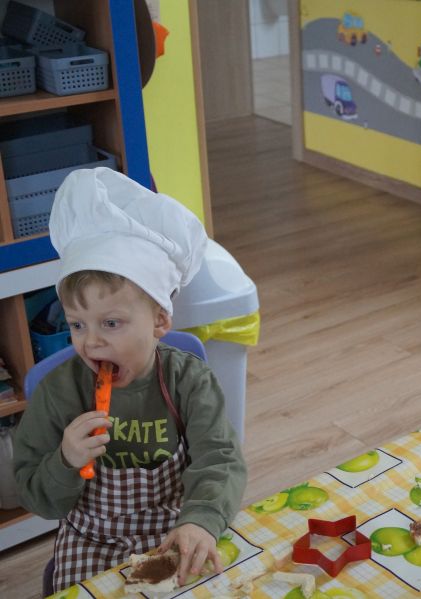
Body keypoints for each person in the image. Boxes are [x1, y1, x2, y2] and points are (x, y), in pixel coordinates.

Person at [14, 168, 247, 594]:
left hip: (175, 525)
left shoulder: (189, 381)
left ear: (159, 320)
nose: (91, 342)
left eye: (111, 323)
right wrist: (66, 460)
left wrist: (201, 519)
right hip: (91, 536)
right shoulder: (60, 393)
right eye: (77, 325)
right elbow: (33, 494)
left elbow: (220, 459)